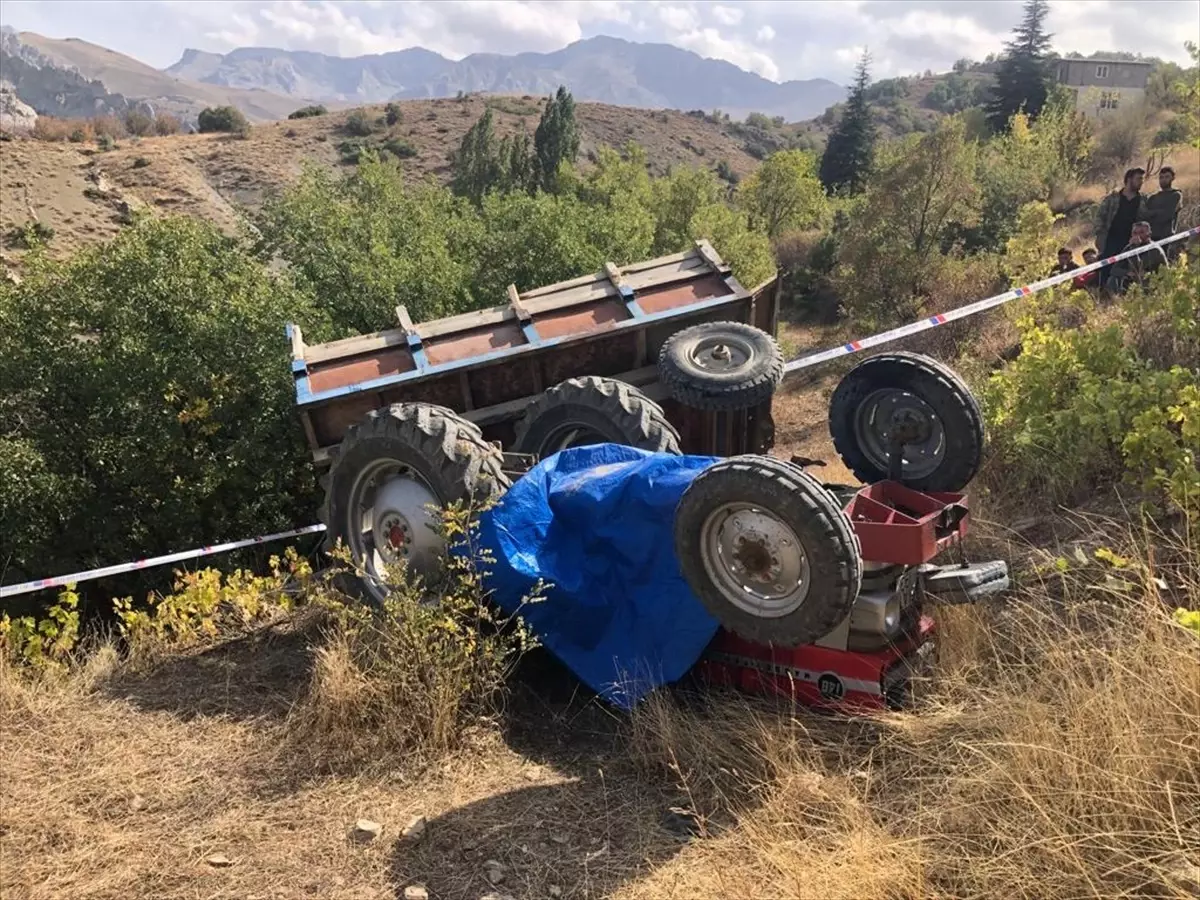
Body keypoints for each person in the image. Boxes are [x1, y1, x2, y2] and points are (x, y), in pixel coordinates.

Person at [1095, 167, 1146, 286]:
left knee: (1125, 267)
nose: (1141, 182)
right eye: (1138, 179)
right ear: (1129, 179)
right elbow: (1100, 216)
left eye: (1142, 179)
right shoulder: (1113, 198)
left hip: (1129, 240)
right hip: (1110, 238)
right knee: (1106, 266)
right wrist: (1100, 235)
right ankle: (1102, 292)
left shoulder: (1142, 200)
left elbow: (1145, 219)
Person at [1104, 222, 1168, 294]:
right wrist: (1127, 273)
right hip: (1135, 279)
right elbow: (1114, 269)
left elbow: (1137, 268)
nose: (1137, 236)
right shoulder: (1129, 247)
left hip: (1153, 281)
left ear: (1149, 234)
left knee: (1143, 281)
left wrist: (1134, 247)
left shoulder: (1154, 250)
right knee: (1113, 279)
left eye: (1141, 232)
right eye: (1135, 233)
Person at [1145, 165, 1183, 257]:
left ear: (1173, 178)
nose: (1163, 180)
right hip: (1150, 235)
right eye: (1161, 177)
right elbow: (1145, 215)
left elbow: (1167, 215)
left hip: (1165, 236)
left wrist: (1153, 213)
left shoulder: (1175, 195)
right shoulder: (1153, 197)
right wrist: (1157, 213)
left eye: (1167, 177)